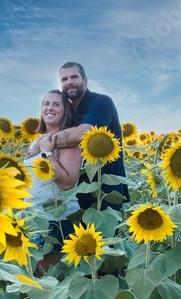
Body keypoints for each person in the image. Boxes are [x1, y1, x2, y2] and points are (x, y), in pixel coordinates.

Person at [26, 62, 130, 211]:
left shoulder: (101, 102)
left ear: (85, 80)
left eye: (74, 77)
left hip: (105, 189)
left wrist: (41, 144)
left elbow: (81, 134)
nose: (69, 82)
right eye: (64, 79)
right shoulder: (68, 110)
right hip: (78, 193)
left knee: (105, 231)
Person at [24, 89, 82, 274]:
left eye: (56, 104)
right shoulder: (37, 141)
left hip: (55, 222)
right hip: (32, 219)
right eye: (46, 103)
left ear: (65, 111)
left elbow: (67, 183)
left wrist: (48, 153)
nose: (50, 108)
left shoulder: (68, 142)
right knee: (33, 282)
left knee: (51, 284)